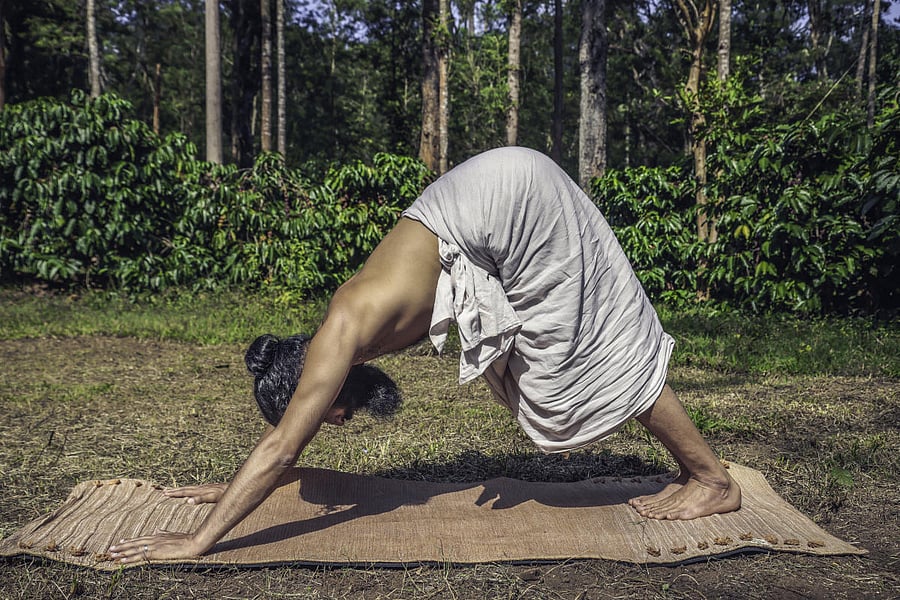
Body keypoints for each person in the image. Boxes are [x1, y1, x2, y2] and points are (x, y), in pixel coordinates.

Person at [109, 147, 740, 564]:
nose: (340, 421)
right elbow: (284, 451)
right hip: (502, 193)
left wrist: (199, 540)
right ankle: (697, 471)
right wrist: (232, 490)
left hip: (514, 206)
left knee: (583, 359)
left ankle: (713, 482)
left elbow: (282, 448)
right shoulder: (342, 337)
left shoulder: (342, 333)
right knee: (567, 365)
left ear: (311, 386)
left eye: (320, 412)